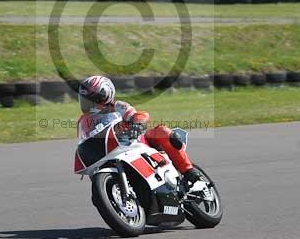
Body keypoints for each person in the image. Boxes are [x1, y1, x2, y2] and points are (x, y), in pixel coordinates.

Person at [77, 75, 205, 190]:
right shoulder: (83, 120)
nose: (87, 104)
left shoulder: (118, 106)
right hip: (109, 150)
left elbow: (137, 114)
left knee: (162, 132)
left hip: (134, 140)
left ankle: (189, 171)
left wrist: (137, 123)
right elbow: (84, 138)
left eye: (91, 100)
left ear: (104, 96)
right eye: (84, 100)